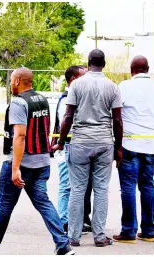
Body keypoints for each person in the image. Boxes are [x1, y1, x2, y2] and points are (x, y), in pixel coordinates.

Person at [0, 67, 74, 255]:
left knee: (4, 206)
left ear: (17, 81)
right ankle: (63, 245)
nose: (10, 83)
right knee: (44, 203)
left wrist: (15, 168)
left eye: (11, 80)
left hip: (22, 163)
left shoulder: (18, 102)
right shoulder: (41, 99)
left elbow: (20, 136)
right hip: (41, 162)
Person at [52, 49, 123, 247]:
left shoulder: (77, 85)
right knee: (101, 190)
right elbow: (117, 120)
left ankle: (73, 236)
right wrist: (119, 148)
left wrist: (61, 141)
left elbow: (67, 116)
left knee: (77, 190)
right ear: (104, 63)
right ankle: (99, 236)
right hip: (103, 143)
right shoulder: (113, 87)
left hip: (80, 143)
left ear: (88, 62)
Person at [112, 56, 154, 244]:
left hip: (129, 144)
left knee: (128, 186)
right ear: (148, 69)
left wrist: (117, 145)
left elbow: (117, 117)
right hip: (152, 144)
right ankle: (148, 231)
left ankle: (129, 231)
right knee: (147, 185)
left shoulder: (124, 87)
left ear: (132, 70)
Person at [52, 65, 92, 234]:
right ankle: (64, 221)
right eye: (84, 77)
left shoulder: (77, 96)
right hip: (67, 146)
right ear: (74, 79)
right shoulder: (66, 98)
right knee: (67, 185)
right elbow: (66, 123)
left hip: (77, 146)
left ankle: (76, 219)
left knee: (77, 186)